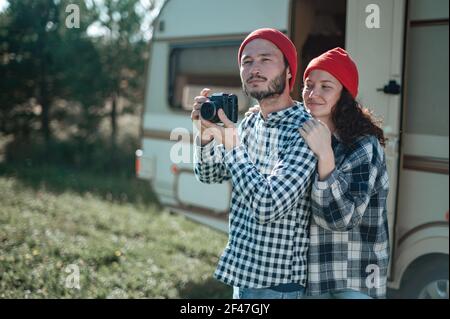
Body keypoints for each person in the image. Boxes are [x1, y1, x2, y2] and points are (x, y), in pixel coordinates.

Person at [248, 47, 390, 298]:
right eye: (308, 85)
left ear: (344, 96)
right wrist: (263, 118)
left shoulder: (363, 145)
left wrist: (325, 156)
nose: (313, 94)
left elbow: (341, 220)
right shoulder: (304, 130)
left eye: (326, 87)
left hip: (353, 276)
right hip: (313, 276)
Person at [191, 28, 317, 299]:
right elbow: (209, 175)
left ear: (288, 72)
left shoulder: (306, 129)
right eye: (247, 61)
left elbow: (267, 206)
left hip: (278, 287)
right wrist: (205, 136)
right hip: (243, 275)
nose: (254, 68)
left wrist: (234, 147)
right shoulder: (248, 122)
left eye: (265, 59)